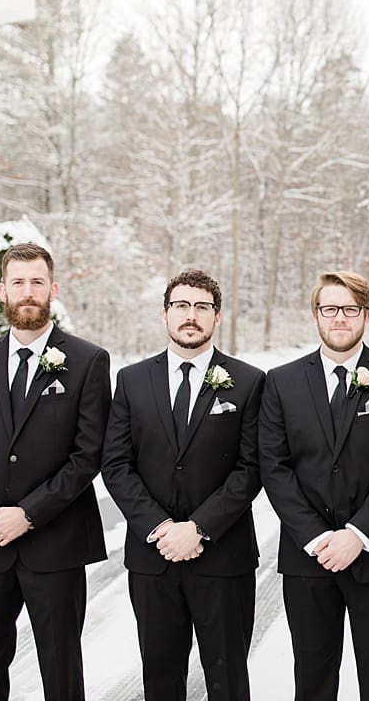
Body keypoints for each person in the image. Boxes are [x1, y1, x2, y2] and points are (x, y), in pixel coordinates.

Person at [0, 242, 111, 701]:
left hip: (56, 544)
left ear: (53, 289)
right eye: (18, 282)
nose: (28, 291)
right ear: (2, 290)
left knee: (60, 670)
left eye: (37, 282)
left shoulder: (89, 361)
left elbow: (86, 456)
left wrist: (28, 515)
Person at [258, 270, 369, 701]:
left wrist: (357, 535)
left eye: (349, 309)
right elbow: (274, 467)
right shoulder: (281, 380)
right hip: (307, 556)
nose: (339, 318)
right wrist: (315, 537)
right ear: (316, 314)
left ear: (366, 316)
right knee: (312, 677)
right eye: (329, 309)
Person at [101, 269, 265, 701]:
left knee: (228, 678)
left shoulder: (249, 382)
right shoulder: (132, 380)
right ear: (165, 314)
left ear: (217, 317)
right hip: (153, 558)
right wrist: (159, 528)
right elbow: (116, 464)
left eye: (201, 307)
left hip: (223, 556)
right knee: (160, 677)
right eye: (181, 306)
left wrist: (198, 527)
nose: (190, 316)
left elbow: (251, 468)